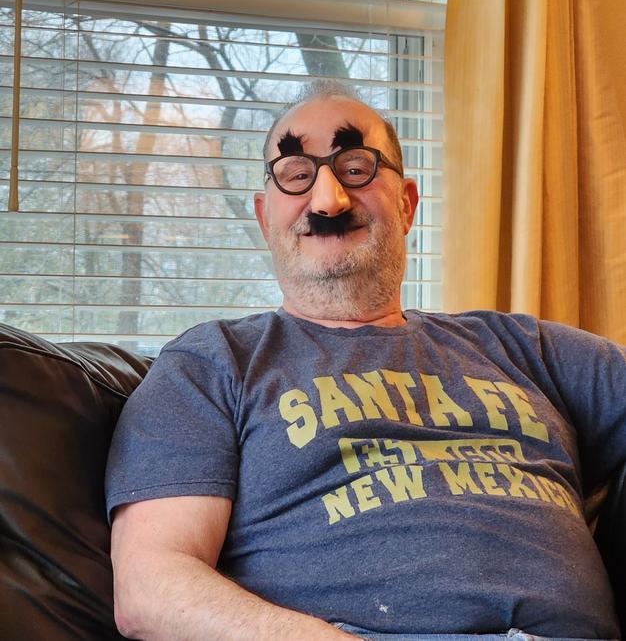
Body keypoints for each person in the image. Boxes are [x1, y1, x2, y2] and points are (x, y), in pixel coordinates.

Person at [105, 81, 626, 641]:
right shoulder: (211, 365)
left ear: (406, 204)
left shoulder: (526, 349)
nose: (328, 201)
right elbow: (152, 588)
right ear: (264, 217)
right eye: (296, 174)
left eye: (356, 168)